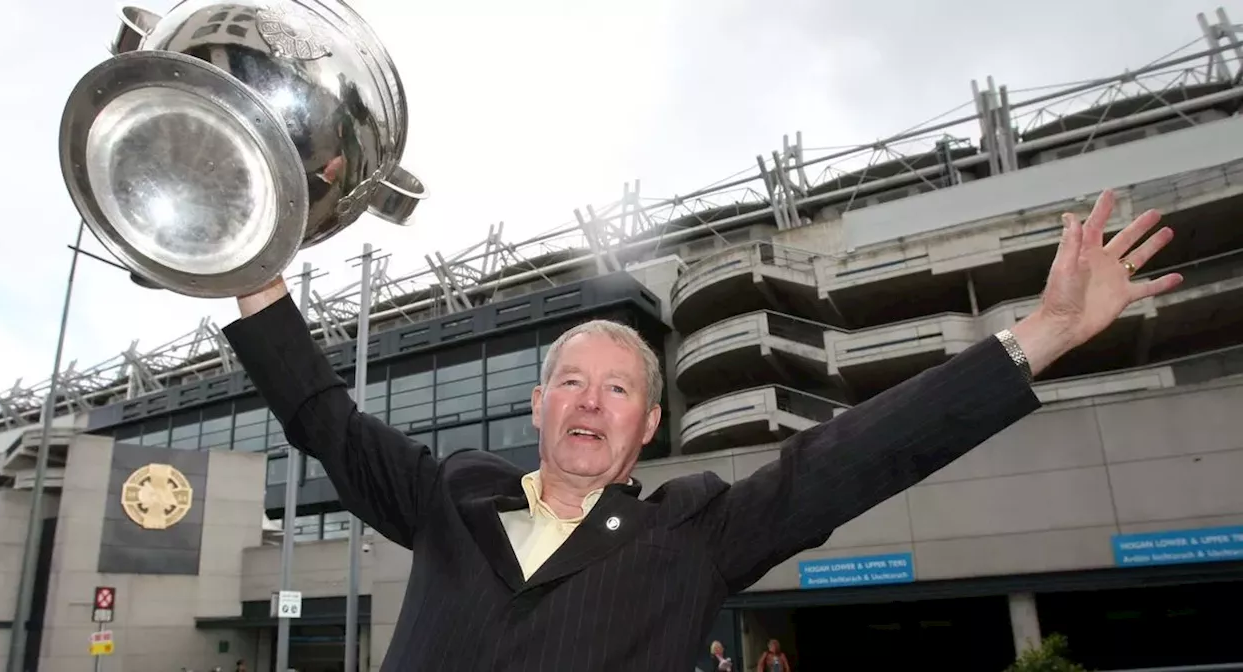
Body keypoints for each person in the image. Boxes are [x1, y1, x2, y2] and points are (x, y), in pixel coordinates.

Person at [220, 190, 1180, 671]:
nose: (591, 401)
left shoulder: (695, 534)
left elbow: (859, 457)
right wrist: (245, 250)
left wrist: (1044, 332)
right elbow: (323, 417)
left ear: (647, 428)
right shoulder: (451, 498)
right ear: (539, 408)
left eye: (618, 390)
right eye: (571, 382)